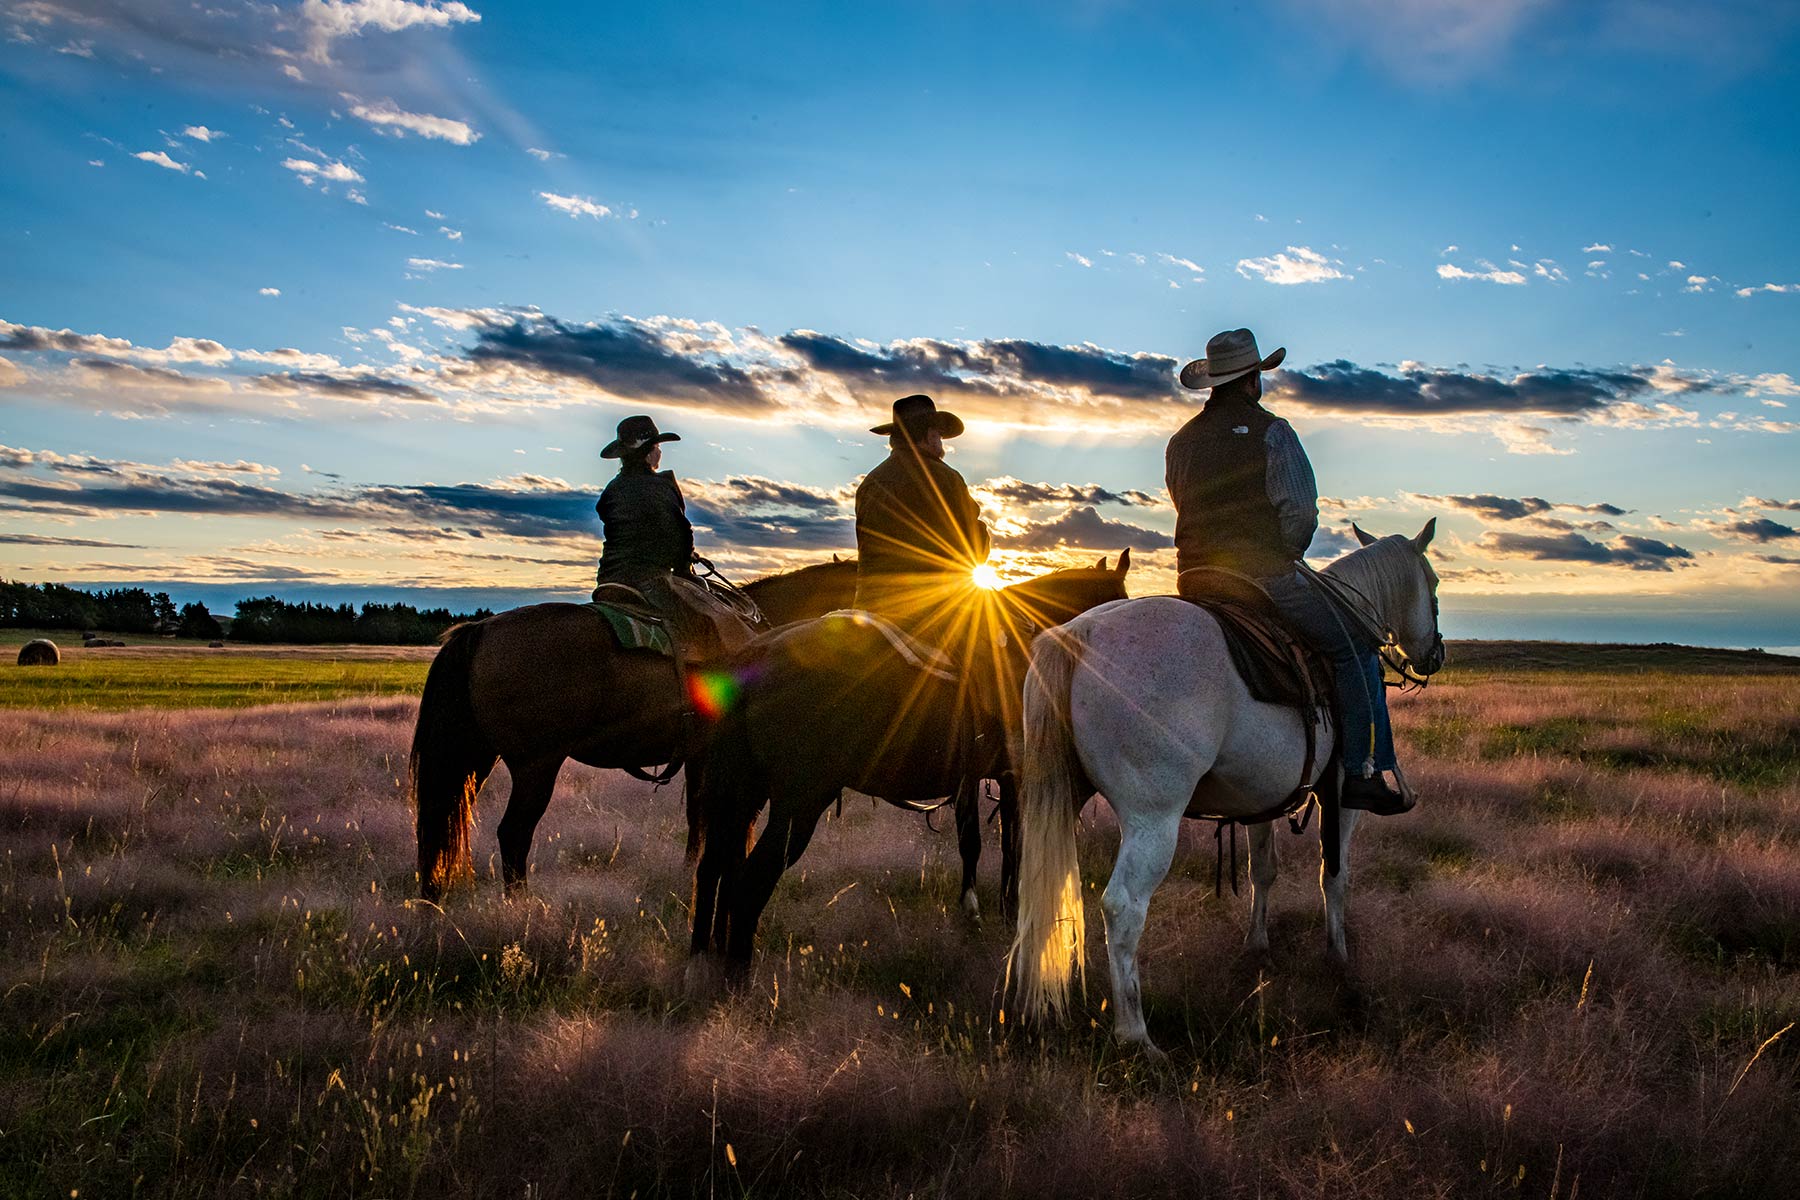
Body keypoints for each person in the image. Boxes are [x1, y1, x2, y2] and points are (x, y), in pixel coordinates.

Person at [1166, 328, 1411, 815]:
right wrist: (1285, 553)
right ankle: (1363, 770)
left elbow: (1180, 499)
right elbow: (1300, 509)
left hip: (1194, 578)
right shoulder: (1273, 431)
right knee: (1355, 643)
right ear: (1253, 380)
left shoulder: (1181, 441)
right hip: (1262, 576)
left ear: (1215, 382)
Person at [595, 414, 751, 658]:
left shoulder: (613, 488)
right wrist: (684, 566)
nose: (659, 453)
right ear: (648, 452)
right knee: (707, 625)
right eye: (657, 447)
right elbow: (678, 533)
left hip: (609, 579)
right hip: (649, 580)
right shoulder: (660, 486)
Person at [852, 394, 991, 650]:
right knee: (1001, 651)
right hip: (930, 609)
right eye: (939, 434)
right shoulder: (945, 478)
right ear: (928, 436)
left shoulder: (869, 482)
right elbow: (973, 547)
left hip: (868, 604)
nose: (941, 442)